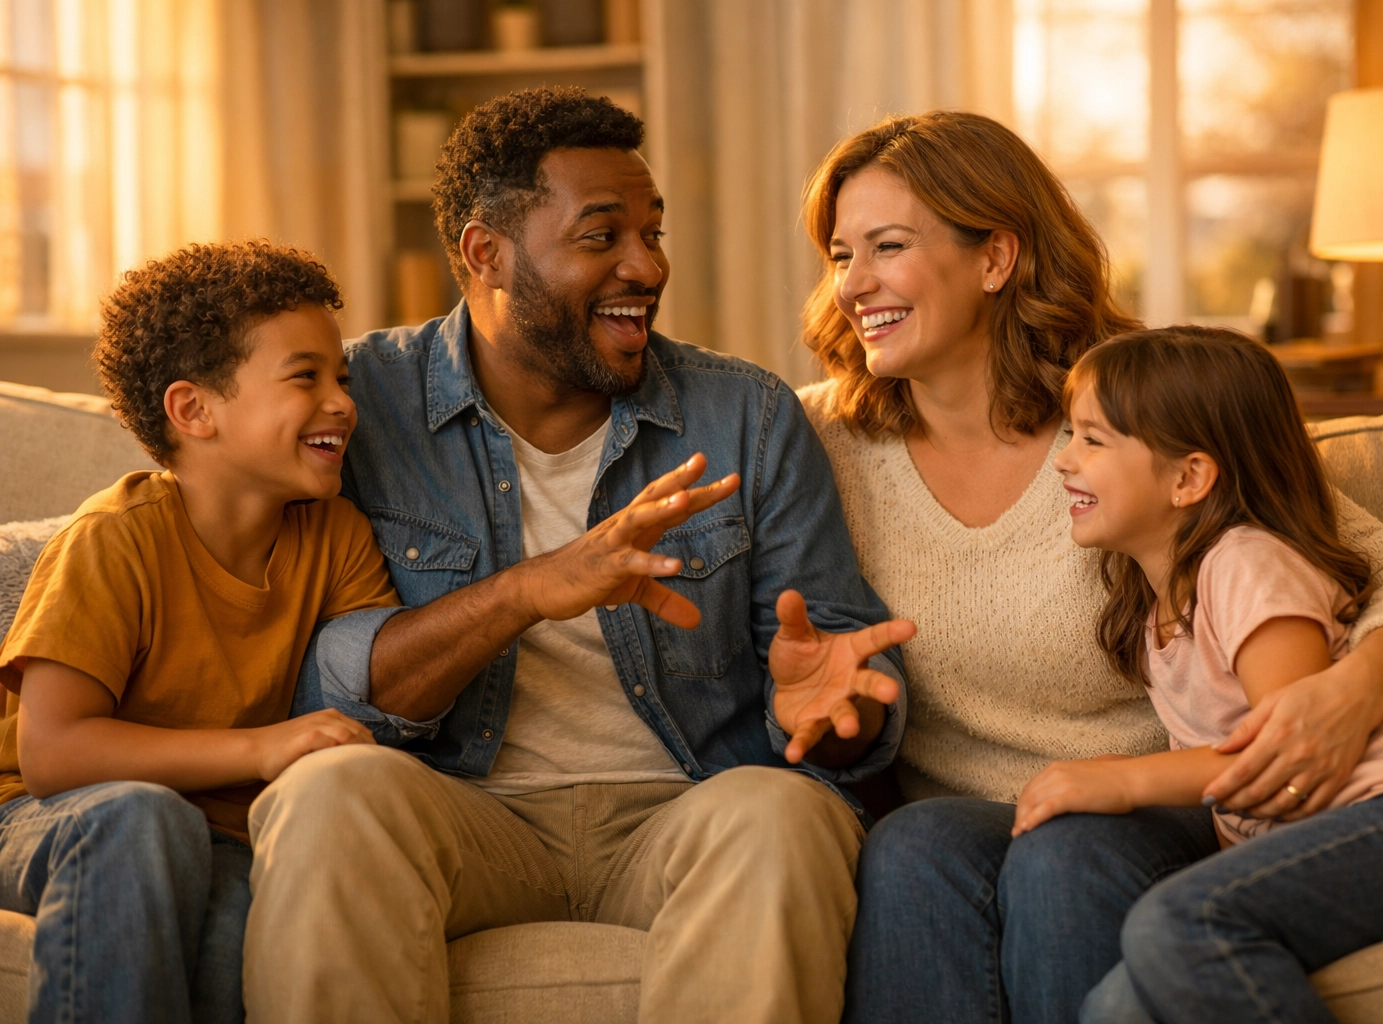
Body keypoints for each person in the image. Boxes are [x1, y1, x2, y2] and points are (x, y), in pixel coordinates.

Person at [240, 87, 913, 1024]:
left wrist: (834, 713)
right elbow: (328, 688)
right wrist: (527, 592)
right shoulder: (359, 406)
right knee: (328, 793)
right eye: (602, 236)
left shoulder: (745, 415)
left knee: (784, 814)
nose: (648, 265)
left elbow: (838, 675)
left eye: (653, 232)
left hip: (684, 808)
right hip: (459, 812)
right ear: (486, 253)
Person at [793, 110, 1383, 1023]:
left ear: (996, 257)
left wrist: (1350, 694)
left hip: (1186, 798)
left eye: (888, 246)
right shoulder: (818, 442)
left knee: (1067, 850)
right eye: (841, 255)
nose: (853, 285)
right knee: (911, 845)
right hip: (983, 818)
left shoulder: (1131, 410)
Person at [1031, 326, 1383, 1023]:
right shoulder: (1155, 617)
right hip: (1358, 835)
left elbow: (1286, 752)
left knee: (1180, 920)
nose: (1064, 459)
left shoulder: (1245, 563)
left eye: (1091, 439)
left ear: (1188, 478)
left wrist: (1125, 779)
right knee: (1112, 1007)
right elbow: (1244, 820)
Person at [0, 241, 395, 1024]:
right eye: (305, 377)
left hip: (215, 834)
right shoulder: (114, 540)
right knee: (145, 819)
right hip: (46, 816)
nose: (342, 403)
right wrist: (261, 748)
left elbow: (374, 690)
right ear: (194, 411)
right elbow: (53, 755)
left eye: (343, 379)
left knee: (241, 923)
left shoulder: (338, 538)